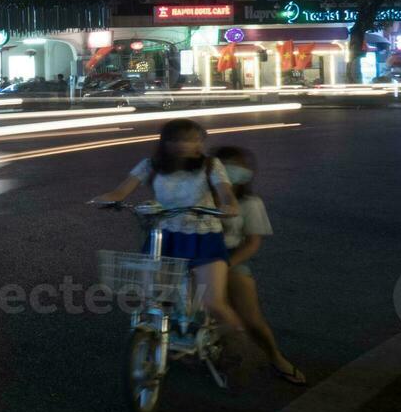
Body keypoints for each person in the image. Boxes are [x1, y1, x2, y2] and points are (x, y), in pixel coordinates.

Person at [95, 119, 253, 383]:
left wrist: (228, 204)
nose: (184, 145)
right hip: (164, 235)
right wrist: (108, 199)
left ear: (200, 142)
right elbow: (121, 190)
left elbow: (226, 194)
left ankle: (238, 347)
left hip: (203, 236)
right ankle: (158, 338)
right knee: (150, 297)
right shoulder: (150, 166)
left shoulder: (211, 166)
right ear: (165, 143)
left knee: (214, 302)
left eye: (192, 139)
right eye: (177, 139)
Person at [213, 145, 305, 385]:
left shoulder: (250, 203)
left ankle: (275, 358)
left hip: (230, 259)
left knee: (251, 319)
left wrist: (227, 263)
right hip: (196, 257)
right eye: (224, 165)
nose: (231, 170)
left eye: (238, 166)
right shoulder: (198, 196)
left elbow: (252, 244)